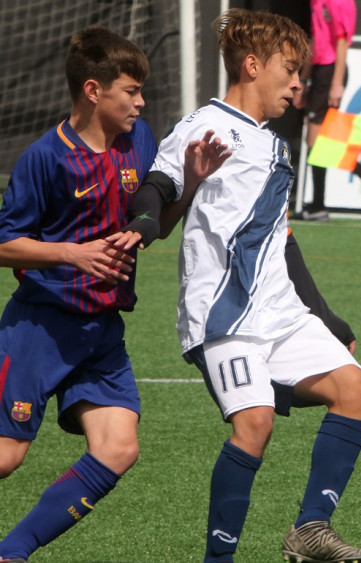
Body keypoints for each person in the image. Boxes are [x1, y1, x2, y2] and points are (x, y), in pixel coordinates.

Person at [147, 9, 361, 562]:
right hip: (223, 317)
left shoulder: (275, 146)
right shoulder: (203, 127)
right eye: (290, 70)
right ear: (252, 66)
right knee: (255, 424)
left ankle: (310, 531)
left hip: (281, 312)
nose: (299, 82)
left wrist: (326, 316)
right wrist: (140, 223)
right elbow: (156, 185)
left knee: (356, 390)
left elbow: (283, 241)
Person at [0, 26, 220, 562]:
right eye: (131, 91)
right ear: (94, 90)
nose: (142, 102)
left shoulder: (138, 144)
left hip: (101, 332)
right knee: (6, 456)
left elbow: (157, 228)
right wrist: (72, 253)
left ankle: (12, 551)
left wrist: (190, 184)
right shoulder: (44, 158)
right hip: (41, 327)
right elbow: (5, 244)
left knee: (119, 448)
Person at [295, 0, 361, 221]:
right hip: (318, 70)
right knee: (321, 141)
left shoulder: (339, 2)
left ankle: (319, 204)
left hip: (330, 70)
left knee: (316, 140)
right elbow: (315, 39)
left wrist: (337, 83)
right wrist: (303, 79)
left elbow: (342, 41)